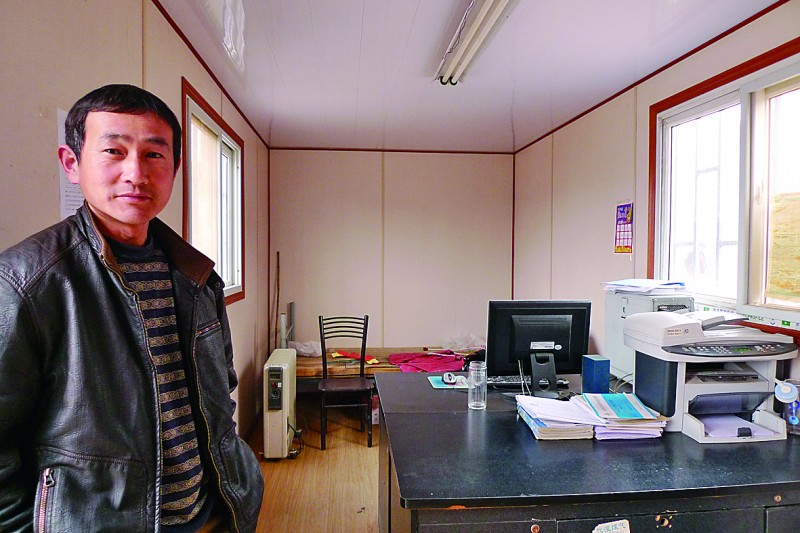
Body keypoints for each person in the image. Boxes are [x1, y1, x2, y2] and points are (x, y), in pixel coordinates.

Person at [0, 84, 263, 532]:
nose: (136, 173)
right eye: (113, 151)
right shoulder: (26, 283)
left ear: (175, 168)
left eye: (154, 154)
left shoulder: (196, 274)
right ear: (71, 163)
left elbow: (221, 388)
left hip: (212, 513)